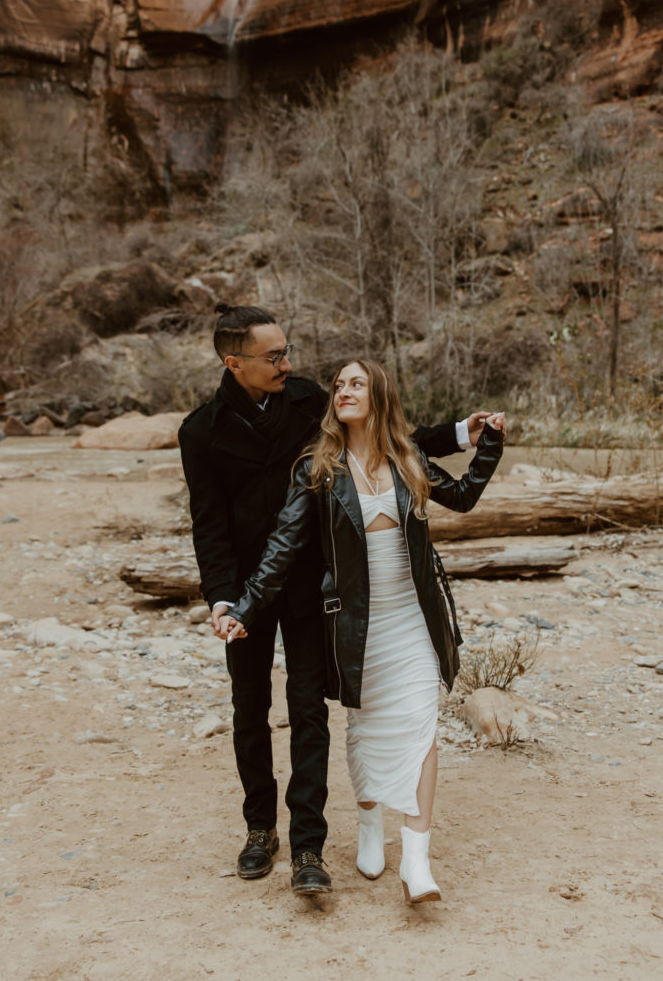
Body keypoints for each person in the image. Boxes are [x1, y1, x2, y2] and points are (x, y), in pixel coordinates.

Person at [179, 304, 494, 897]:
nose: (288, 363)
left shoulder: (303, 400)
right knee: (249, 710)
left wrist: (460, 434)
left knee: (308, 712)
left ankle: (307, 846)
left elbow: (384, 436)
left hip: (310, 585)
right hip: (249, 585)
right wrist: (225, 600)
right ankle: (258, 829)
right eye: (273, 356)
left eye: (287, 351)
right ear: (234, 362)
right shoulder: (200, 430)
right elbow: (208, 524)